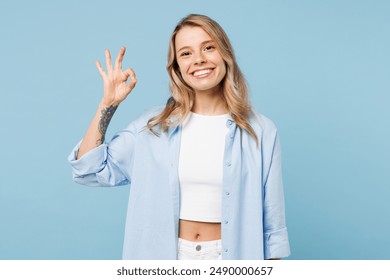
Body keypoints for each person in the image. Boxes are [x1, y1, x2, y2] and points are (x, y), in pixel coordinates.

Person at [68, 14, 290, 260]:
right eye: (186, 53)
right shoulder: (151, 127)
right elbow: (87, 169)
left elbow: (274, 228)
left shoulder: (261, 131)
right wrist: (107, 105)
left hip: (233, 258)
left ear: (225, 54)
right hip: (162, 257)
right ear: (176, 68)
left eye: (208, 47)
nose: (199, 59)